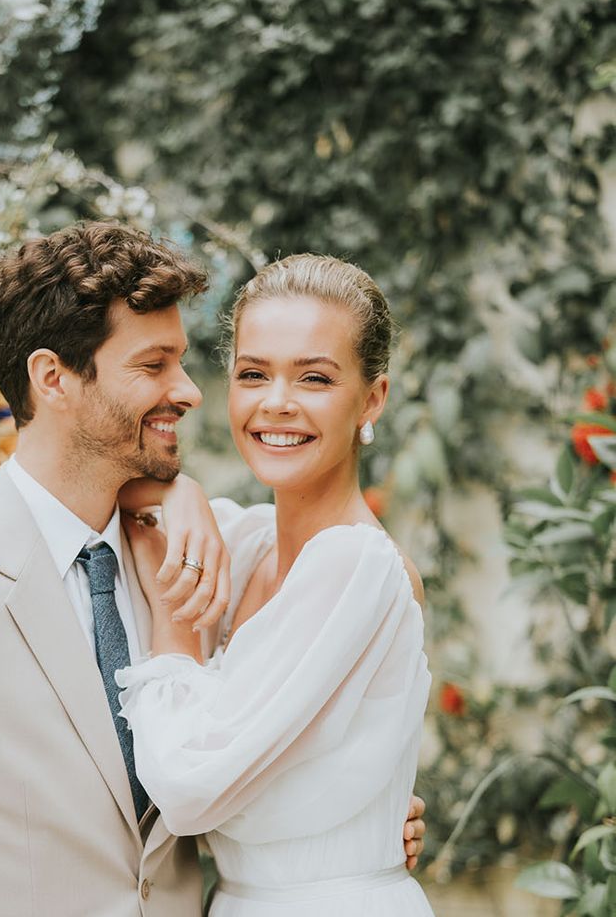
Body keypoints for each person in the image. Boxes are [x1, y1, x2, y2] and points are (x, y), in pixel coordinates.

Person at [0, 224, 424, 917]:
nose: (190, 391)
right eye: (154, 365)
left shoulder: (193, 563)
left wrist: (360, 819)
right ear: (53, 379)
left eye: (185, 361)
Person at [115, 254, 434, 916]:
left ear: (372, 398)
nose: (276, 402)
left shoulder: (356, 567)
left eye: (314, 377)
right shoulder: (247, 542)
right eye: (253, 374)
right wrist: (179, 489)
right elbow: (98, 490)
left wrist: (177, 622)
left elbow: (185, 787)